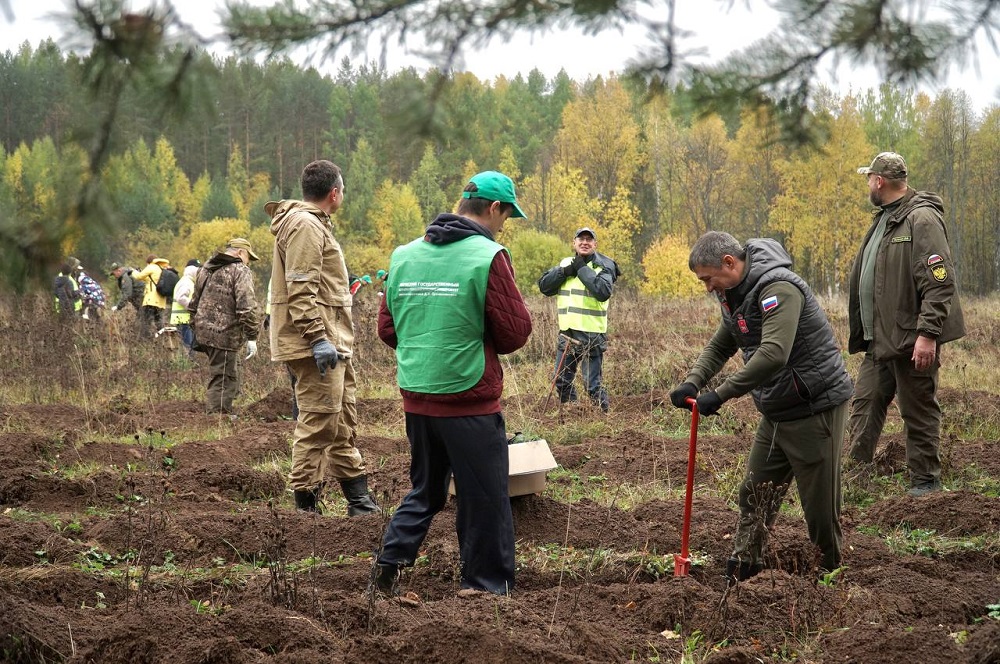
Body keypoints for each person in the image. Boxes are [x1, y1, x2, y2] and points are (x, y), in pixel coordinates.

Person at [374, 170, 532, 599]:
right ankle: (483, 589)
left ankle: (387, 567)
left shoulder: (404, 255)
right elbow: (516, 333)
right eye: (506, 215)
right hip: (469, 401)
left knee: (425, 489)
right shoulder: (488, 255)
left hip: (417, 397)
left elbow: (388, 330)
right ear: (494, 209)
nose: (504, 224)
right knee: (485, 499)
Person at [669, 231, 853, 581]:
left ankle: (829, 578)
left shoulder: (778, 288)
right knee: (754, 492)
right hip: (776, 410)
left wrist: (721, 394)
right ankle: (743, 569)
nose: (708, 287)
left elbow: (774, 354)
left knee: (819, 510)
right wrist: (693, 381)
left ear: (729, 263)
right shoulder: (734, 293)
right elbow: (722, 343)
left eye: (708, 278)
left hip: (815, 408)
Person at [847, 152, 966, 497]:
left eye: (869, 178)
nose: (867, 183)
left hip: (911, 339)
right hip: (879, 339)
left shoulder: (922, 219)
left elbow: (939, 281)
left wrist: (928, 334)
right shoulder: (885, 218)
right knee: (865, 402)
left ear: (879, 181)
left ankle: (926, 484)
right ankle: (856, 474)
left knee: (918, 409)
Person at [265, 159, 379, 517]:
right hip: (317, 344)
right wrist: (317, 339)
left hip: (333, 343)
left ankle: (359, 503)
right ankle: (306, 514)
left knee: (341, 423)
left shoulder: (313, 225)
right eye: (343, 190)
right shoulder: (305, 226)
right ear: (334, 193)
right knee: (317, 424)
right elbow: (301, 289)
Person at [537, 227, 620, 412]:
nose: (584, 242)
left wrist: (581, 269)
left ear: (595, 245)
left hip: (592, 335)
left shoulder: (604, 266)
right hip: (567, 333)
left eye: (589, 240)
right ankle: (574, 412)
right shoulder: (566, 263)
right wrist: (565, 272)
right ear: (574, 243)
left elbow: (602, 292)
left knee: (592, 386)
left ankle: (604, 417)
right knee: (561, 380)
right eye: (580, 239)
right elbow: (544, 286)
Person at [188, 240, 260, 415]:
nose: (248, 261)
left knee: (225, 373)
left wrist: (195, 326)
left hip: (203, 330)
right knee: (223, 377)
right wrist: (252, 336)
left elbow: (194, 302)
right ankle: (217, 418)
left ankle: (223, 412)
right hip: (225, 333)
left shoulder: (206, 268)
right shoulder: (240, 270)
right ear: (241, 253)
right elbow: (246, 306)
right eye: (248, 257)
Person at [130, 254, 170, 338]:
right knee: (159, 322)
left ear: (148, 262)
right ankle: (162, 340)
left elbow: (139, 276)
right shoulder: (162, 268)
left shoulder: (151, 266)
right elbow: (150, 280)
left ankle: (145, 341)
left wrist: (133, 271)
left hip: (151, 300)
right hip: (161, 301)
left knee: (146, 322)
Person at [171, 259, 200, 353]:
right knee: (188, 348)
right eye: (198, 269)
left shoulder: (189, 281)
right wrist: (193, 308)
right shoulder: (186, 282)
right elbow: (181, 298)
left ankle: (188, 366)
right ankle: (188, 367)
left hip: (185, 320)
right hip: (183, 320)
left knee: (188, 347)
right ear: (192, 270)